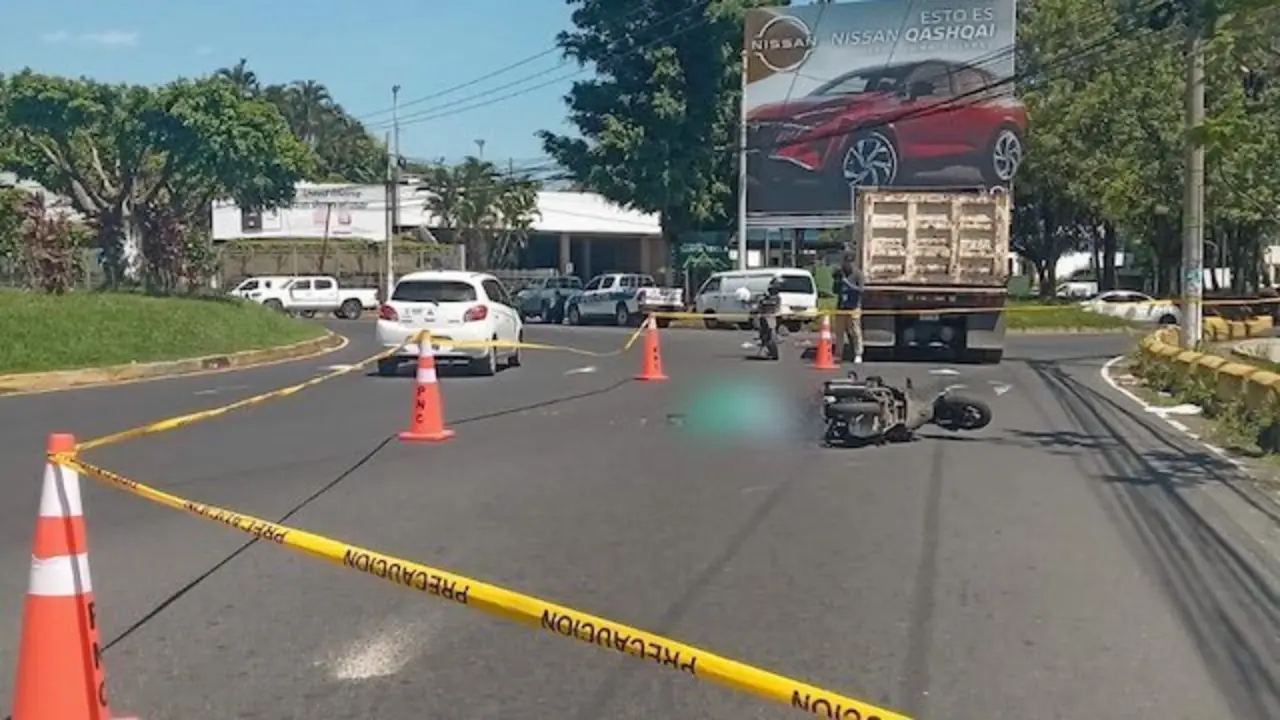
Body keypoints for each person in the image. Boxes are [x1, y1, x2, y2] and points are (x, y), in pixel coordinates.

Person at [832, 254, 865, 364]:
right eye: (846, 262)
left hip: (853, 307)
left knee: (855, 331)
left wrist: (848, 284)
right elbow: (834, 290)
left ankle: (858, 353)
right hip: (841, 306)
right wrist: (838, 282)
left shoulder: (858, 274)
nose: (847, 265)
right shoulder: (840, 273)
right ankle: (838, 354)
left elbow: (861, 290)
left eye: (850, 262)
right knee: (839, 332)